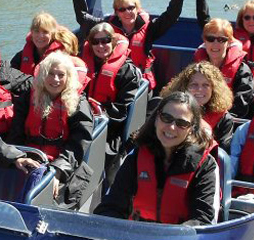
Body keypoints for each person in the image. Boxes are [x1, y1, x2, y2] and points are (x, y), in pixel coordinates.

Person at [94, 92, 219, 225]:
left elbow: (202, 220)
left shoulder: (206, 165)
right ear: (156, 118)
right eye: (166, 117)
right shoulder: (136, 156)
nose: (171, 127)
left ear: (191, 129)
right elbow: (112, 206)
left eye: (181, 123)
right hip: (134, 237)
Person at [70, 0, 187, 90]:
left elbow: (171, 15)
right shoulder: (107, 26)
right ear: (117, 12)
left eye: (131, 7)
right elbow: (83, 18)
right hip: (114, 80)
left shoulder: (149, 28)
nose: (127, 12)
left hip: (139, 82)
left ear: (137, 8)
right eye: (122, 9)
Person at [8, 52, 94, 205]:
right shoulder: (28, 97)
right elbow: (16, 132)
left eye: (61, 75)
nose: (55, 79)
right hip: (30, 157)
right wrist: (17, 157)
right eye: (50, 74)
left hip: (63, 163)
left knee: (48, 195)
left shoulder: (79, 103)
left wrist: (57, 172)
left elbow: (79, 144)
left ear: (68, 78)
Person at [80, 22, 144, 154]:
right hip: (82, 121)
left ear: (113, 42)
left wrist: (95, 120)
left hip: (111, 129)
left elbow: (121, 112)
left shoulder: (127, 71)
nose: (101, 46)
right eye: (95, 42)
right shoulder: (81, 66)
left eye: (105, 41)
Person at [161, 63, 235, 153]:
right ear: (185, 87)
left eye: (205, 85)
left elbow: (222, 155)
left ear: (214, 89)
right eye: (194, 84)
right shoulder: (168, 109)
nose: (199, 89)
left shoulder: (225, 120)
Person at [192, 18, 254, 118]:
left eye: (221, 40)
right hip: (196, 117)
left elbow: (240, 106)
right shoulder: (195, 67)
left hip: (227, 122)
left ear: (229, 42)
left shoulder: (242, 70)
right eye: (210, 39)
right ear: (204, 41)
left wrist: (218, 120)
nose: (215, 44)